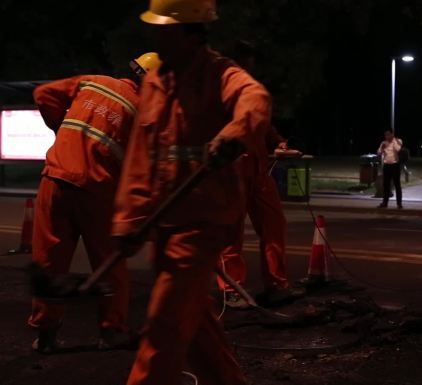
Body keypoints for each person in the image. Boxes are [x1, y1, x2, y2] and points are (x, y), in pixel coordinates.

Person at [113, 0, 270, 383]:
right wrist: (128, 220)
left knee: (163, 329)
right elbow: (140, 158)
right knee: (195, 324)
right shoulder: (153, 82)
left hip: (202, 223)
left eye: (162, 28)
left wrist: (233, 135)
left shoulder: (219, 73)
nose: (154, 34)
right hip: (165, 224)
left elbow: (256, 101)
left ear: (191, 31)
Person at [28, 52, 161, 353]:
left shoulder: (93, 83)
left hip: (55, 179)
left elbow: (43, 94)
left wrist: (60, 128)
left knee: (49, 261)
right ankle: (111, 331)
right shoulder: (144, 113)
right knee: (110, 261)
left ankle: (46, 335)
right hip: (96, 191)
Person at [217, 41, 300, 309]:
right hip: (231, 173)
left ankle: (277, 285)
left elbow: (262, 125)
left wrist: (279, 143)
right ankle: (231, 289)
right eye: (246, 64)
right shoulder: (218, 90)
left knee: (274, 226)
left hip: (259, 172)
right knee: (231, 234)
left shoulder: (248, 91)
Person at [377, 130, 403, 208]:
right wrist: (382, 148)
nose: (387, 136)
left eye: (388, 134)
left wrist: (393, 141)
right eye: (385, 135)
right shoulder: (383, 143)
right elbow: (378, 152)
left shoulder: (398, 141)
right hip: (387, 165)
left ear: (392, 134)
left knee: (397, 184)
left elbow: (398, 149)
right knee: (386, 185)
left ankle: (399, 203)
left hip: (395, 165)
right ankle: (385, 203)